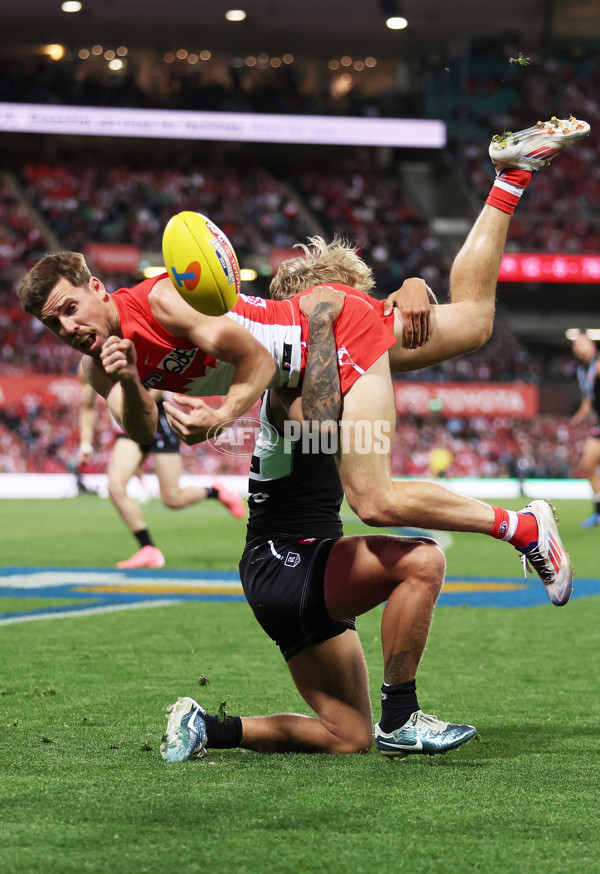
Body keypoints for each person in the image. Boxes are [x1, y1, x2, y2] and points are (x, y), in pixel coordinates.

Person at [17, 117, 588, 605]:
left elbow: (257, 365)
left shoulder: (163, 301)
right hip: (312, 349)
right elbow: (145, 430)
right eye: (52, 323)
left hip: (322, 338)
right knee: (473, 323)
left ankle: (524, 528)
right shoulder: (99, 367)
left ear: (95, 287)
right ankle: (510, 177)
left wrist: (221, 416)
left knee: (374, 500)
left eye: (70, 308)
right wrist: (127, 379)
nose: (67, 328)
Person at [161, 286, 477, 760]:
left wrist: (414, 290)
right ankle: (402, 718)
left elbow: (387, 345)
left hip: (292, 566)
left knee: (347, 737)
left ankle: (206, 727)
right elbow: (325, 421)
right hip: (286, 560)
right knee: (423, 562)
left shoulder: (334, 367)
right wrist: (328, 323)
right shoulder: (287, 385)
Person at [78, 365, 246, 568]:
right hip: (129, 423)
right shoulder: (87, 365)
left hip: (156, 419)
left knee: (172, 499)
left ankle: (214, 492)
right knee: (115, 485)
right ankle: (148, 548)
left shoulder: (125, 344)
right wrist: (85, 443)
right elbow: (88, 407)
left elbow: (158, 382)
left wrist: (136, 407)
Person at [570, 330, 600, 528]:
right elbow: (589, 399)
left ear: (593, 345)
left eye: (582, 344)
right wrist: (577, 418)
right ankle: (598, 512)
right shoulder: (582, 371)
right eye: (575, 345)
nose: (578, 348)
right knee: (587, 466)